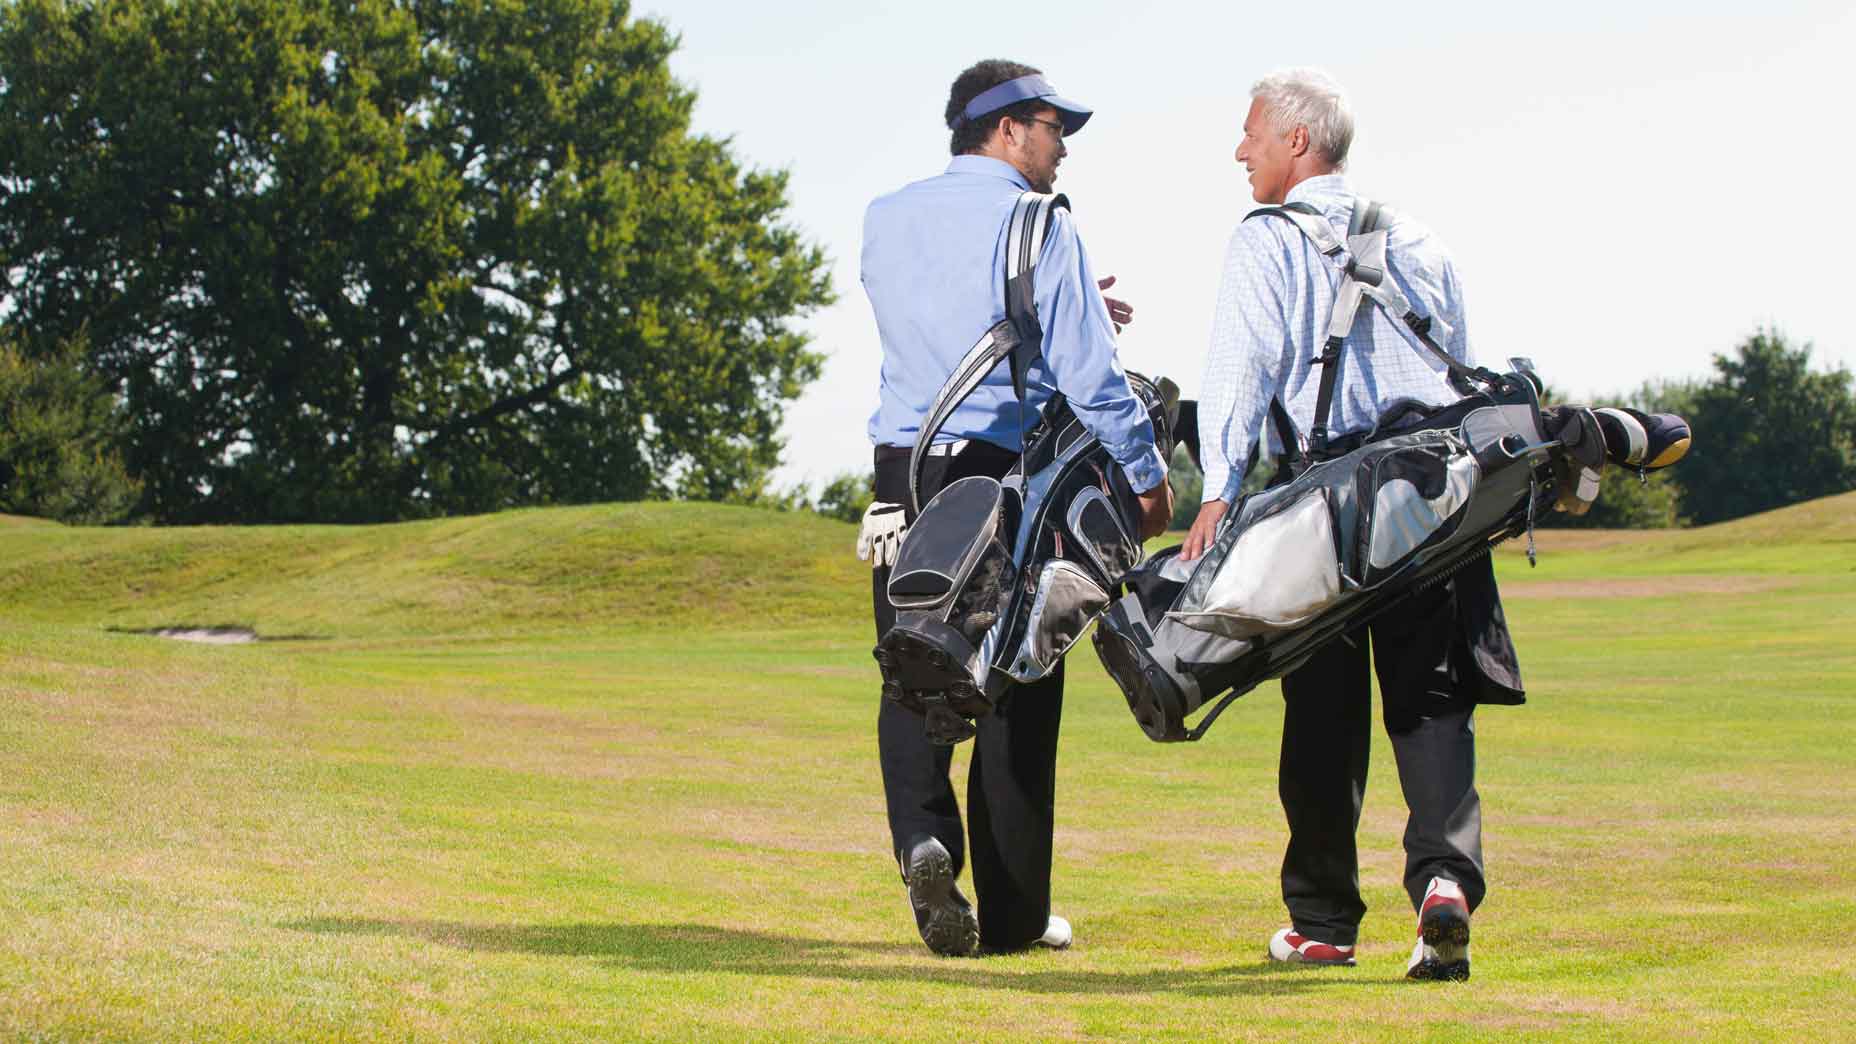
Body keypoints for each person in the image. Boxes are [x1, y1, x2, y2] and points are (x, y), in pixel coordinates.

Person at [1183, 68, 1522, 981]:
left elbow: (1239, 371)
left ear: (1299, 141)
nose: (1240, 149)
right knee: (1434, 704)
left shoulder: (1266, 242)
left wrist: (1217, 492)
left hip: (1324, 514)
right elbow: (1465, 373)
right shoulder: (1419, 238)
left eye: (1252, 132)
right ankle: (1445, 887)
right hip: (1436, 504)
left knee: (1323, 719)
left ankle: (1325, 923)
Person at [857, 58, 1173, 957]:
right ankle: (1012, 918)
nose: (1061, 145)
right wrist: (1145, 473)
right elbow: (1089, 376)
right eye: (1051, 126)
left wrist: (1057, 311)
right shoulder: (1038, 222)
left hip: (901, 477)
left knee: (915, 657)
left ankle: (923, 838)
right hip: (1004, 474)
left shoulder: (885, 217)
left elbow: (933, 323)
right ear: (1004, 129)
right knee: (1019, 679)